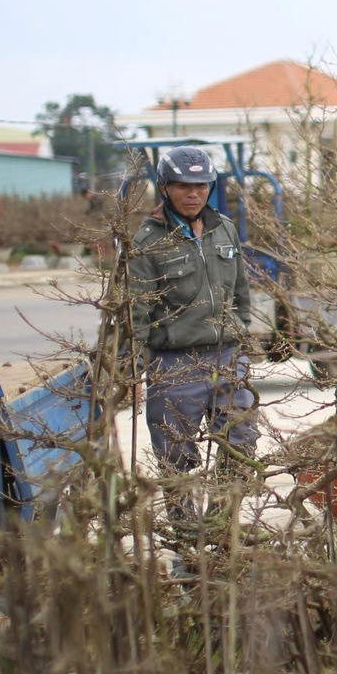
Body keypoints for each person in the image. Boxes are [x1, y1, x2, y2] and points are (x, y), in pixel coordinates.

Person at [127, 145, 259, 525]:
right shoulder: (147, 243)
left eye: (201, 186)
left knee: (240, 445)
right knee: (176, 459)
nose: (193, 194)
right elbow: (134, 312)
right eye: (184, 186)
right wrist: (133, 370)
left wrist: (240, 337)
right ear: (165, 187)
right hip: (175, 365)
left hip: (227, 358)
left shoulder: (224, 229)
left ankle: (219, 529)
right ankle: (188, 538)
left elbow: (242, 293)